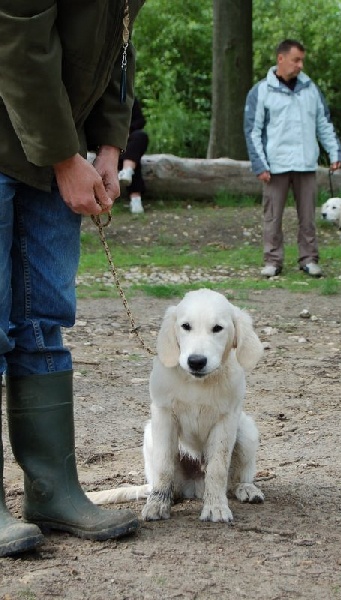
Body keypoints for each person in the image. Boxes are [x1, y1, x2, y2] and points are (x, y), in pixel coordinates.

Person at [0, 0, 145, 558]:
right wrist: (65, 157)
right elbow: (16, 39)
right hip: (23, 135)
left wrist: (109, 144)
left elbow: (118, 48)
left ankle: (52, 489)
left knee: (44, 320)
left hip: (56, 144)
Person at [244, 39, 341, 278]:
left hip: (306, 164)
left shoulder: (311, 89)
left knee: (308, 217)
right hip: (274, 166)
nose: (300, 65)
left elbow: (324, 124)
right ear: (281, 59)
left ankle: (309, 259)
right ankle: (272, 260)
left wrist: (334, 152)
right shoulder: (261, 91)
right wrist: (260, 164)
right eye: (296, 60)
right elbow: (252, 130)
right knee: (272, 217)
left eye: (302, 61)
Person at [118, 98, 149, 214]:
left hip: (128, 138)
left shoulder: (128, 96)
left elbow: (140, 120)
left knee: (140, 137)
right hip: (105, 141)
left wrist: (127, 131)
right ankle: (135, 197)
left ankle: (127, 170)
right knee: (130, 154)